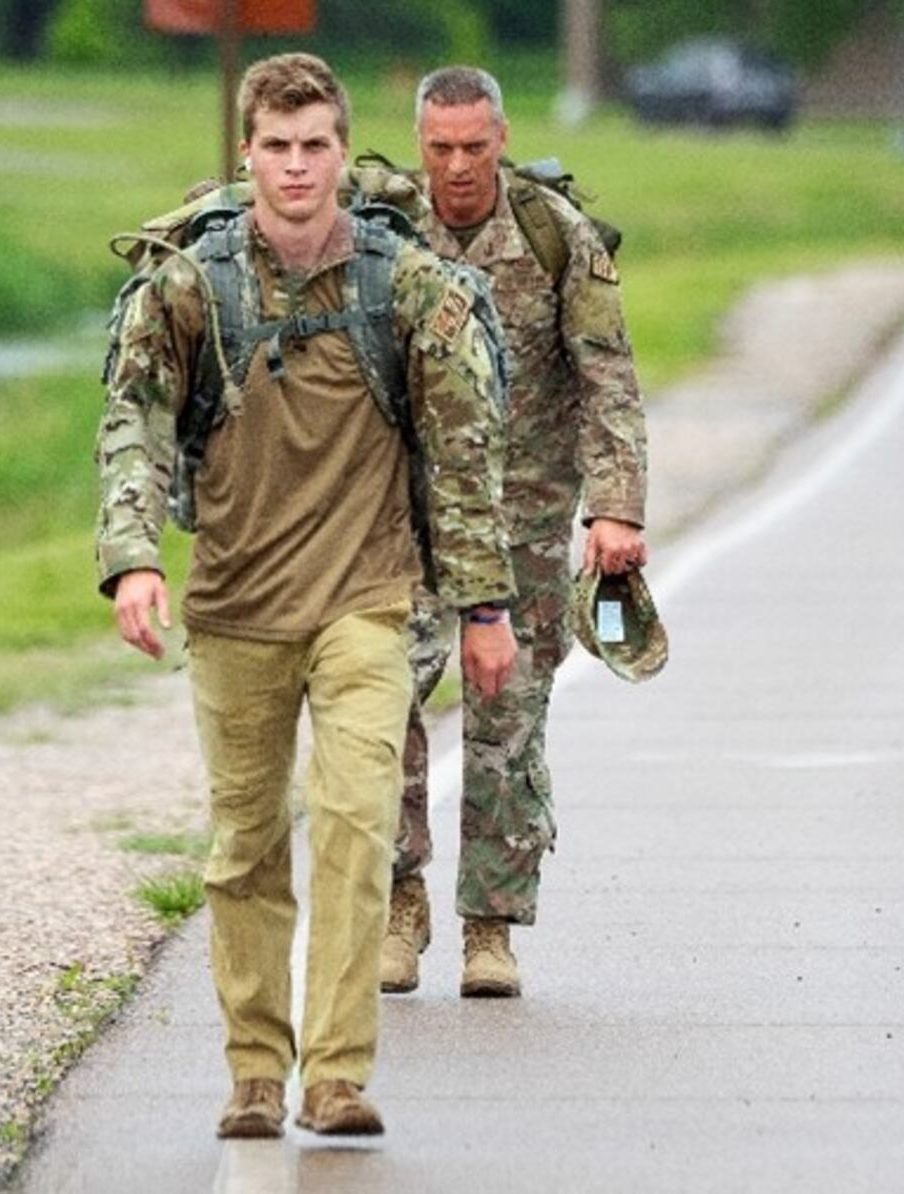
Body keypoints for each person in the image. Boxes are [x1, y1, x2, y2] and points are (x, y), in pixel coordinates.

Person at [95, 53, 516, 1139]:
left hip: (366, 604)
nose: (295, 167)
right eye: (276, 148)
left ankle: (334, 1075)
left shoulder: (401, 283)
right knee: (243, 849)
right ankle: (251, 1070)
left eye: (315, 145)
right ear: (247, 154)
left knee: (354, 824)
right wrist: (133, 556)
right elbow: (133, 422)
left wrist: (481, 608)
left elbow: (463, 450)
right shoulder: (193, 288)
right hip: (235, 606)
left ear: (342, 151)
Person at [380, 66, 649, 999]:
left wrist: (615, 508)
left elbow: (609, 376)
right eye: (440, 148)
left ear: (501, 139)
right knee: (382, 701)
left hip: (526, 517)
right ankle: (397, 904)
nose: (457, 167)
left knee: (508, 718)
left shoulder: (553, 236)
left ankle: (488, 927)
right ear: (421, 143)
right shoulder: (383, 234)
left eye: (475, 148)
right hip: (406, 516)